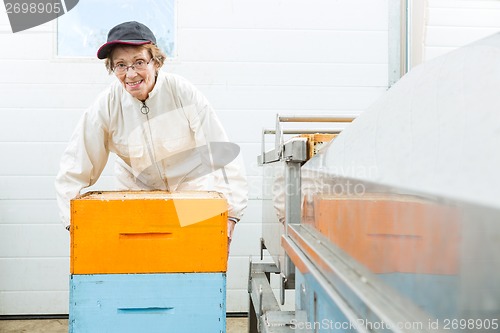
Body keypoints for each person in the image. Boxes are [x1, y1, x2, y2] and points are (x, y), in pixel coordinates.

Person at [55, 21, 248, 247]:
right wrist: (73, 223)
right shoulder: (107, 104)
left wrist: (231, 214)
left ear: (156, 62)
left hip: (190, 197)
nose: (130, 73)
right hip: (136, 201)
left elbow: (220, 151)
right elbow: (75, 165)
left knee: (191, 272)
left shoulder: (182, 93)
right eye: (120, 65)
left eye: (139, 62)